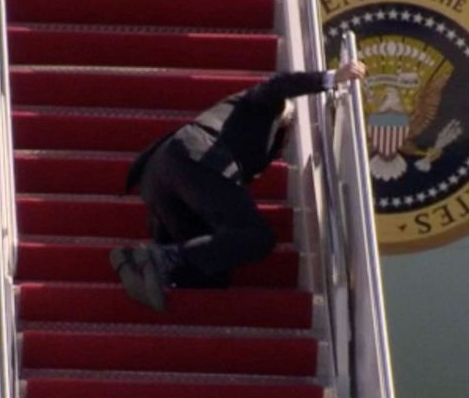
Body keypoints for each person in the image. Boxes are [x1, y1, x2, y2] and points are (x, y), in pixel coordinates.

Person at [110, 62, 367, 311]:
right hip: (195, 156)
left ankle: (148, 263)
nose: (284, 146)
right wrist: (332, 78)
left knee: (215, 275)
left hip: (159, 170)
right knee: (258, 237)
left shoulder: (240, 133)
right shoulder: (268, 106)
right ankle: (160, 260)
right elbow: (278, 84)